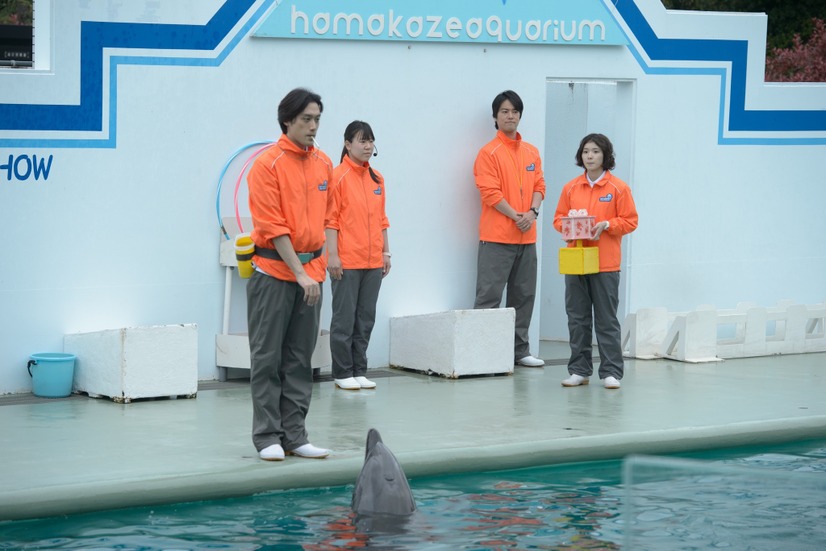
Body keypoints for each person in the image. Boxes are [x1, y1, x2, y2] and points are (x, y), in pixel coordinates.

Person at [246, 88, 333, 461]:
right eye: (306, 120)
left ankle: (295, 436)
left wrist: (324, 265)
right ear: (288, 121)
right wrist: (299, 274)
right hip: (275, 272)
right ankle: (267, 437)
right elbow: (273, 226)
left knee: (300, 359)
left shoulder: (324, 163)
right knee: (268, 358)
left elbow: (330, 217)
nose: (313, 127)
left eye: (317, 119)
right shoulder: (266, 164)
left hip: (312, 272)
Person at [553, 133, 638, 389]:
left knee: (606, 319)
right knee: (577, 318)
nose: (589, 156)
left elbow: (630, 221)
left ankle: (611, 372)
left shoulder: (618, 188)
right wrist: (568, 226)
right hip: (577, 261)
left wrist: (607, 224)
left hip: (605, 263)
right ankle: (579, 370)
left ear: (605, 155)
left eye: (595, 151)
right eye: (586, 151)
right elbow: (557, 219)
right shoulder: (570, 188)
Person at [473, 90, 546, 367]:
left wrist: (533, 212)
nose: (510, 116)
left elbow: (540, 186)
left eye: (514, 111)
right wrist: (518, 216)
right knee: (489, 297)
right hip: (496, 238)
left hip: (527, 238)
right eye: (504, 111)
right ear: (495, 117)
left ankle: (520, 351)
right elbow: (489, 193)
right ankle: (482, 354)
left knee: (524, 296)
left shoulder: (531, 152)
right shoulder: (488, 153)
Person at [325, 121, 391, 391]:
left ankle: (359, 370)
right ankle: (342, 372)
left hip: (373, 261)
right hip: (347, 262)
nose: (367, 146)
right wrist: (333, 256)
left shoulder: (377, 179)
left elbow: (382, 219)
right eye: (361, 141)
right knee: (344, 319)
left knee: (365, 318)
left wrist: (385, 252)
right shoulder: (337, 176)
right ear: (347, 143)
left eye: (370, 141)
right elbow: (330, 220)